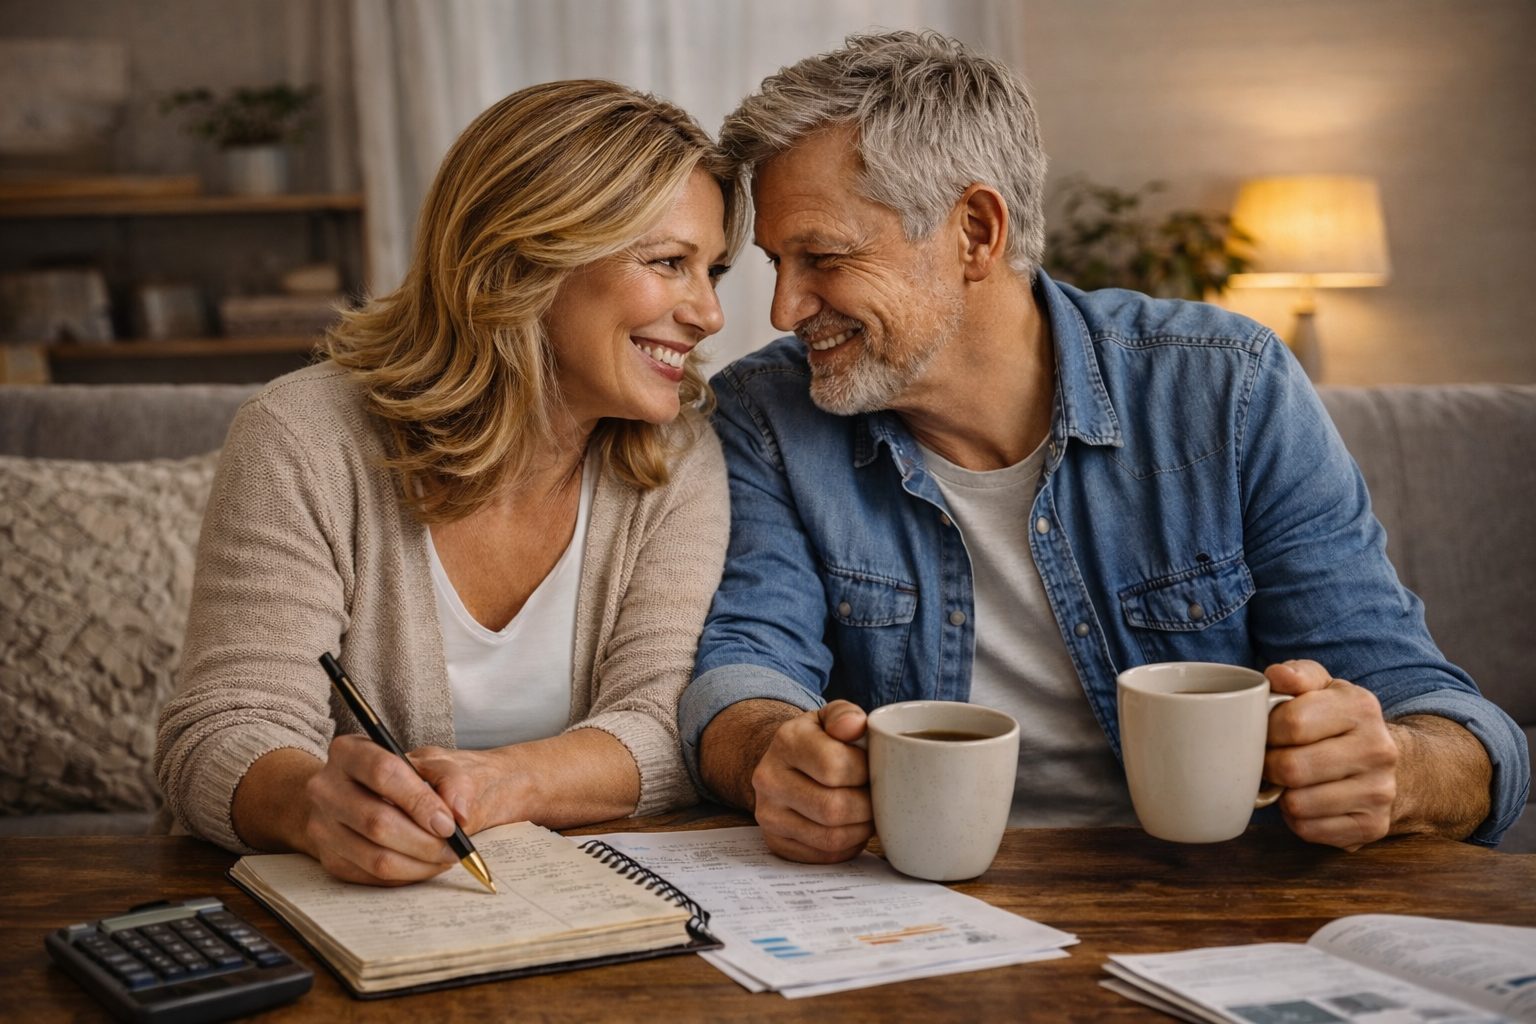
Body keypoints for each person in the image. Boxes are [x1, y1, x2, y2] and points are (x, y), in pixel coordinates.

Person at [681, 31, 1528, 864]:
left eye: (823, 257)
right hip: (920, 899)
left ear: (975, 231)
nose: (785, 309)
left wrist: (1398, 769)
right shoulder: (768, 413)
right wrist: (772, 756)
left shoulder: (1228, 388)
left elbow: (1441, 718)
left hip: (1214, 895)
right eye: (777, 262)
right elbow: (745, 668)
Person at [156, 80, 743, 885]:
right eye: (670, 263)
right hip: (339, 906)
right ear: (527, 257)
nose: (709, 313)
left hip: (579, 901)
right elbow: (221, 729)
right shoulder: (302, 436)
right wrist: (310, 806)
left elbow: (665, 724)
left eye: (713, 271)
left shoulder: (678, 458)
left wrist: (502, 783)